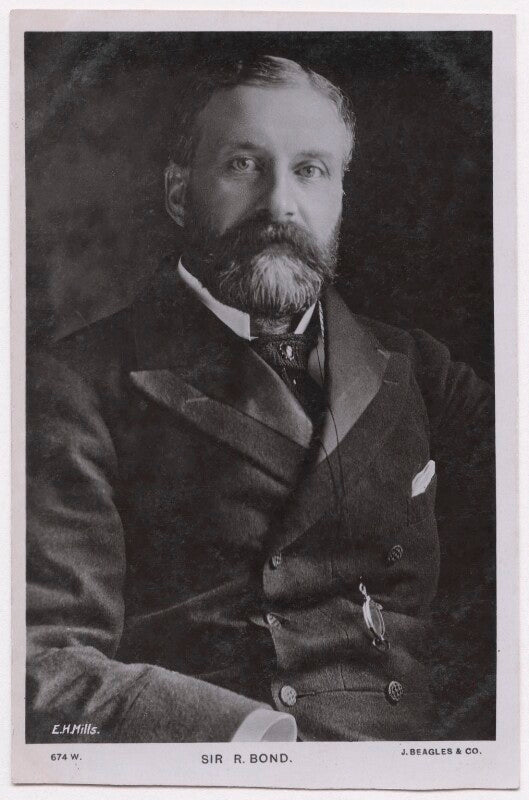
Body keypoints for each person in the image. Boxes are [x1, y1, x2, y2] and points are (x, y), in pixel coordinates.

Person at [26, 55, 495, 743]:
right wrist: (254, 743)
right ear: (179, 192)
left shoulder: (422, 369)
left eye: (310, 170)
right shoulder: (74, 385)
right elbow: (42, 658)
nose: (280, 204)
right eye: (244, 165)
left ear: (339, 197)